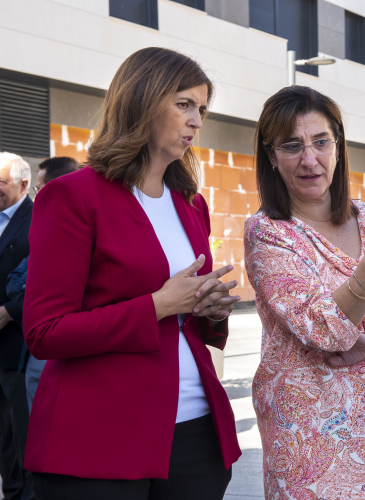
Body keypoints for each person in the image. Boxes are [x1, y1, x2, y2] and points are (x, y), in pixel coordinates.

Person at [23, 47, 241, 499]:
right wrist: (158, 305)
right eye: (184, 104)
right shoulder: (72, 196)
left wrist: (211, 309)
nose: (197, 121)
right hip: (100, 437)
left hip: (195, 433)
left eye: (202, 109)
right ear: (142, 101)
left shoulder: (191, 204)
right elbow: (45, 332)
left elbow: (189, 321)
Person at [244, 86, 365, 499]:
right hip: (314, 447)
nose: (309, 159)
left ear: (338, 146)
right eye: (292, 146)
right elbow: (325, 329)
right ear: (271, 156)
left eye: (321, 142)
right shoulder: (269, 233)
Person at [7, 156, 80, 413]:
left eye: (39, 188)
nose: (36, 195)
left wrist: (31, 289)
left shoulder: (73, 229)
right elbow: (15, 280)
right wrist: (32, 288)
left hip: (62, 349)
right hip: (36, 350)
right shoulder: (47, 223)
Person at [0, 152, 34, 500]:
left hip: (16, 344)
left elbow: (43, 279)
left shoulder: (37, 218)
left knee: (17, 433)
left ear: (24, 185)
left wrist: (9, 311)